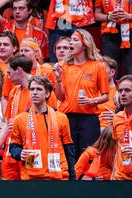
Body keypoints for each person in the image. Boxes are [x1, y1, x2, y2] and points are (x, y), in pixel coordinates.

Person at [53, 29, 109, 160]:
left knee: (87, 159)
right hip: (67, 118)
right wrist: (58, 79)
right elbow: (60, 97)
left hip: (88, 120)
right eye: (71, 39)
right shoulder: (63, 66)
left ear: (85, 44)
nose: (71, 42)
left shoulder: (98, 66)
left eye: (75, 40)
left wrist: (91, 101)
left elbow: (106, 96)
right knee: (69, 159)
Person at [9, 76, 75, 180]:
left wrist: (73, 177)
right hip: (31, 176)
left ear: (47, 93)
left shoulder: (61, 118)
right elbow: (13, 147)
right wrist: (19, 153)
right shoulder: (20, 119)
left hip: (58, 176)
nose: (34, 92)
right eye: (32, 89)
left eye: (39, 89)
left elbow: (69, 149)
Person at [95, 0, 132, 78]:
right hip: (109, 33)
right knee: (111, 68)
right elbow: (97, 15)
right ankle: (113, 90)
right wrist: (109, 17)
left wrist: (129, 16)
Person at [112, 75, 132, 180]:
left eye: (127, 90)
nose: (123, 94)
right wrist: (113, 177)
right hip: (120, 178)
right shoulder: (117, 118)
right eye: (120, 91)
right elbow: (118, 149)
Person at [98, 56, 118, 129]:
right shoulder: (91, 90)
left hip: (114, 129)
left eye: (102, 69)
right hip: (92, 129)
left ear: (112, 72)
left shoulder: (121, 90)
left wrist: (117, 117)